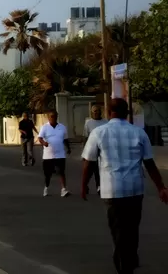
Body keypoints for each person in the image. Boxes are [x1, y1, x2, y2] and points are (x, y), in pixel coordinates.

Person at [81, 98, 168, 274]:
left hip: (112, 191)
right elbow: (149, 163)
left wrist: (84, 185)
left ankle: (124, 266)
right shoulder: (139, 133)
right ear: (127, 112)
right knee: (132, 228)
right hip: (135, 190)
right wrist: (161, 187)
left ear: (107, 112)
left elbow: (88, 163)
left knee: (118, 232)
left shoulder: (98, 132)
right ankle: (130, 258)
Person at [37, 110, 71, 197]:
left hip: (60, 154)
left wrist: (68, 148)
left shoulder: (62, 127)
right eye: (51, 116)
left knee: (61, 171)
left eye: (55, 116)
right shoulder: (44, 127)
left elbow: (65, 139)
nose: (53, 118)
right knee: (48, 174)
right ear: (48, 117)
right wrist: (43, 143)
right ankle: (46, 188)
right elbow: (40, 138)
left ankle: (63, 189)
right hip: (48, 155)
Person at [82, 104, 108, 194]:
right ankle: (85, 186)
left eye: (98, 110)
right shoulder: (88, 123)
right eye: (95, 111)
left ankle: (99, 186)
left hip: (102, 151)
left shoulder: (106, 122)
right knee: (89, 170)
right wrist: (84, 153)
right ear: (92, 113)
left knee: (99, 170)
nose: (97, 112)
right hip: (91, 150)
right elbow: (85, 138)